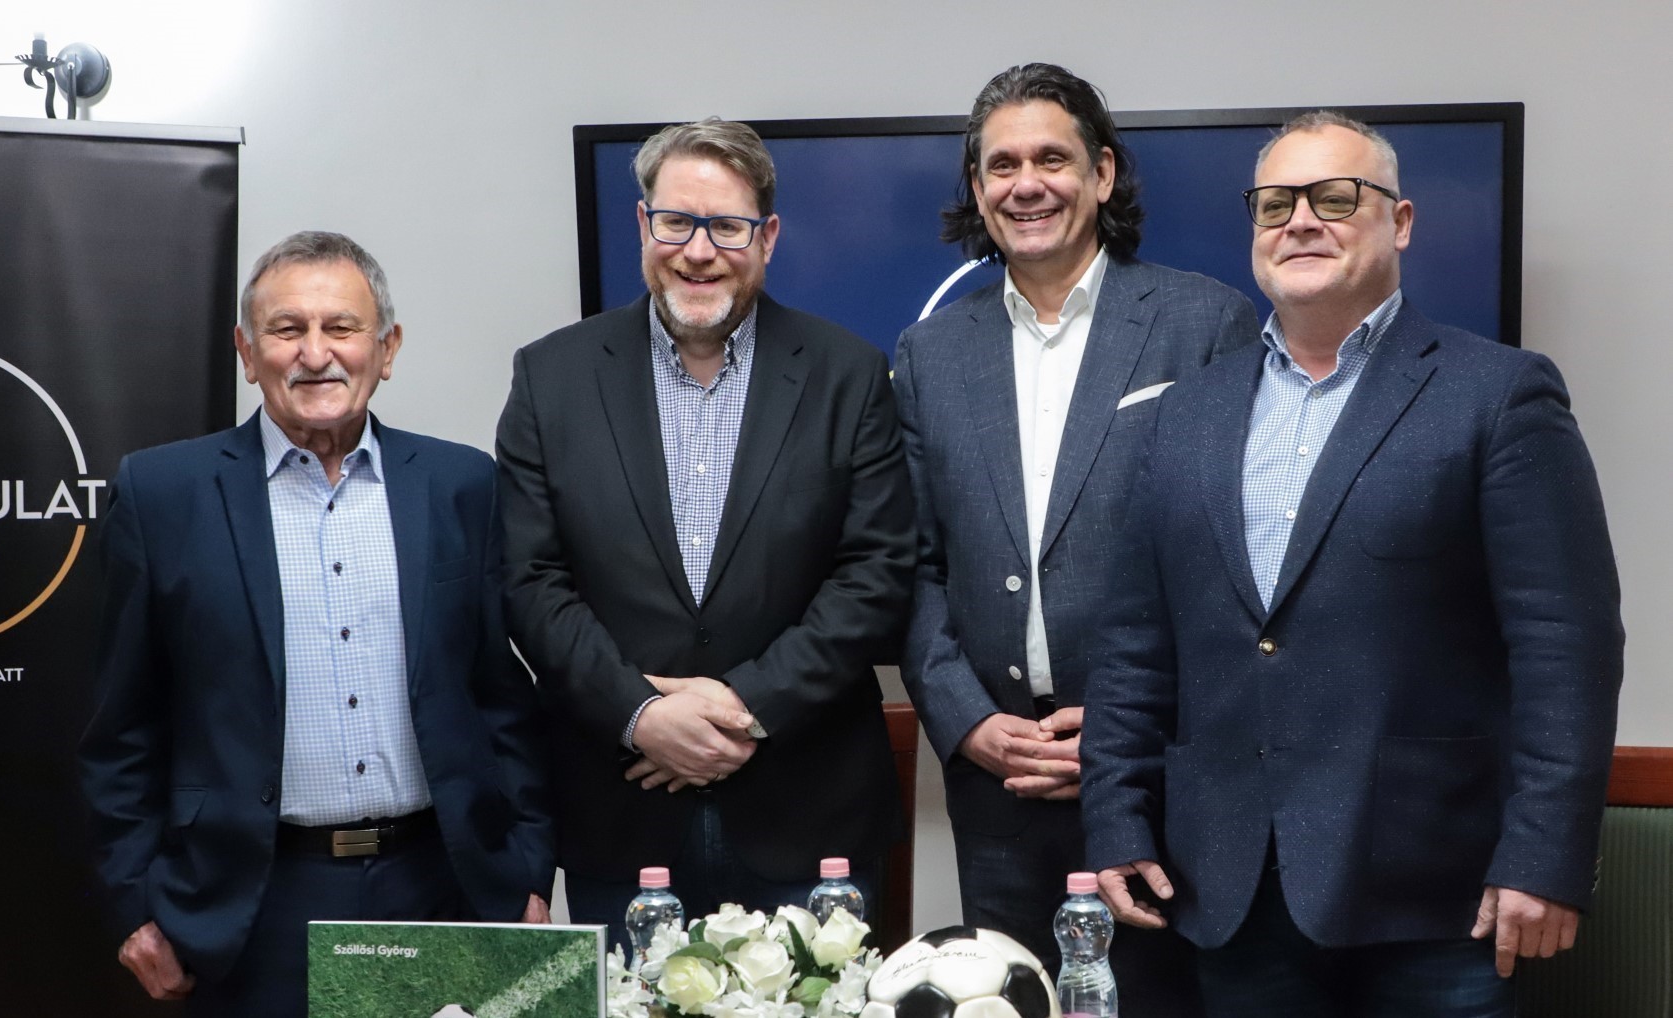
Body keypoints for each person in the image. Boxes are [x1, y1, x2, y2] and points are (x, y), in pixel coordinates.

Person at [1081, 111, 1624, 1017]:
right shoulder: (1186, 414)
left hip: (1439, 897)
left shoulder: (1498, 394)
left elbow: (1566, 646)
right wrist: (1115, 817)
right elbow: (1135, 644)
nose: (1300, 221)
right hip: (1230, 888)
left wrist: (1545, 854)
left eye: (1335, 198)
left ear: (1399, 222)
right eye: (1275, 204)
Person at [80, 231, 555, 1018]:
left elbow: (503, 697)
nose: (315, 353)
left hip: (444, 887)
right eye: (287, 329)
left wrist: (529, 867)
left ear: (386, 348)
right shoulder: (163, 494)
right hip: (251, 904)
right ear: (247, 351)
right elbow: (122, 727)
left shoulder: (460, 484)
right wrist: (135, 901)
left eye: (341, 327)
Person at [892, 61, 1257, 1008]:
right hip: (999, 785)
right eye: (1001, 165)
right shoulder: (931, 352)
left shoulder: (1206, 323)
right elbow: (913, 564)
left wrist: (1131, 725)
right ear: (978, 190)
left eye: (1051, 159)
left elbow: (1237, 570)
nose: (1027, 184)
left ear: (1102, 173)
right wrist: (967, 722)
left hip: (1156, 780)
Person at [497, 118, 913, 947]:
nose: (698, 251)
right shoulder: (551, 376)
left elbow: (877, 573)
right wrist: (640, 714)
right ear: (641, 224)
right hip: (623, 810)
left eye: (726, 226)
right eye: (676, 222)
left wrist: (746, 706)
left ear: (768, 237)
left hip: (810, 814)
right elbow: (529, 581)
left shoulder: (849, 373)